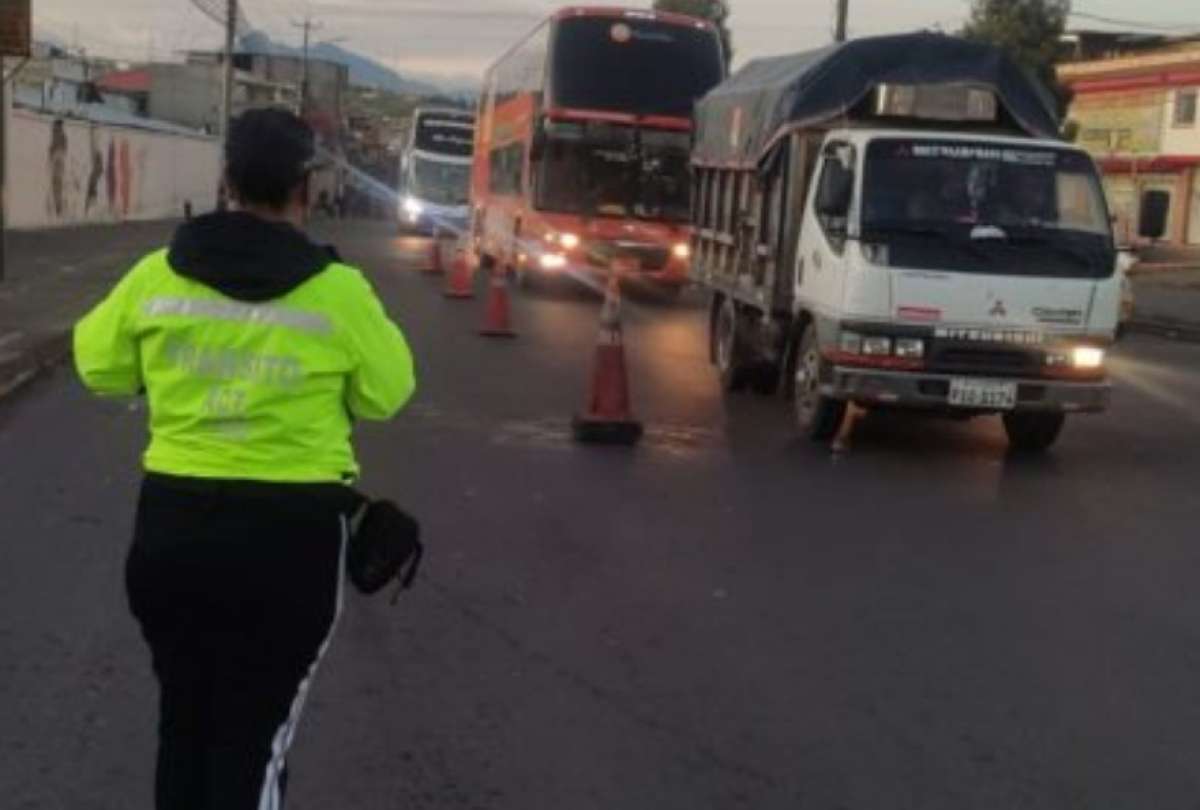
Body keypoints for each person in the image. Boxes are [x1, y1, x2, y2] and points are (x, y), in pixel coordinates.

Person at [73, 108, 416, 810]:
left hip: (171, 535)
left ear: (225, 179)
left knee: (186, 724)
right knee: (255, 739)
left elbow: (99, 367)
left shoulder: (156, 275)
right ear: (307, 187)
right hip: (286, 547)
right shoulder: (337, 291)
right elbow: (387, 394)